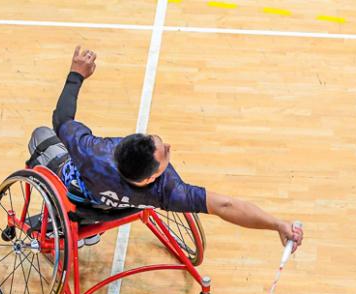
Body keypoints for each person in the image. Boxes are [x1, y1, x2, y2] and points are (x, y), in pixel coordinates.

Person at [49, 46, 303, 251]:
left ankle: (56, 225)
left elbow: (62, 119)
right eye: (164, 153)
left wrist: (76, 74)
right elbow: (226, 206)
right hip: (120, 209)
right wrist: (277, 224)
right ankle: (84, 231)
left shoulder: (94, 153)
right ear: (150, 177)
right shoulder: (168, 191)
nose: (169, 146)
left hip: (82, 198)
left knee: (41, 138)